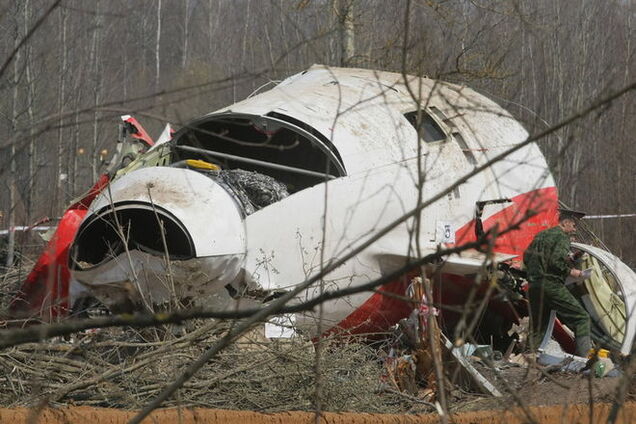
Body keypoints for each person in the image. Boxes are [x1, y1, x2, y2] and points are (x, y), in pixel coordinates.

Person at [524, 208, 592, 356]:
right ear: (566, 222)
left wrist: (568, 259)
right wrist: (572, 271)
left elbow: (527, 258)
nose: (574, 229)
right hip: (551, 285)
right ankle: (586, 359)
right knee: (581, 317)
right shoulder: (562, 237)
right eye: (574, 226)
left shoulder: (541, 235)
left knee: (538, 326)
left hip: (534, 286)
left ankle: (529, 358)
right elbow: (555, 261)